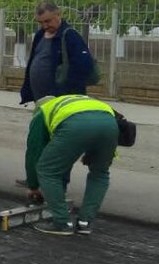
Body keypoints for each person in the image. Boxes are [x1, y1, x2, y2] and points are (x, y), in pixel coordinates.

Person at [24, 94, 119, 236]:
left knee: (47, 170)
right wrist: (96, 154)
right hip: (110, 124)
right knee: (100, 173)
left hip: (76, 126)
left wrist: (33, 186)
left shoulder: (42, 112)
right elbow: (96, 124)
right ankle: (85, 223)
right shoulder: (72, 101)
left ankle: (62, 223)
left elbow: (34, 152)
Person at [19, 0, 95, 105]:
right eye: (40, 23)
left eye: (48, 21)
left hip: (62, 102)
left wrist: (61, 91)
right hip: (41, 101)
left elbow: (84, 66)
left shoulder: (70, 36)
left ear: (58, 14)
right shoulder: (39, 35)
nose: (45, 26)